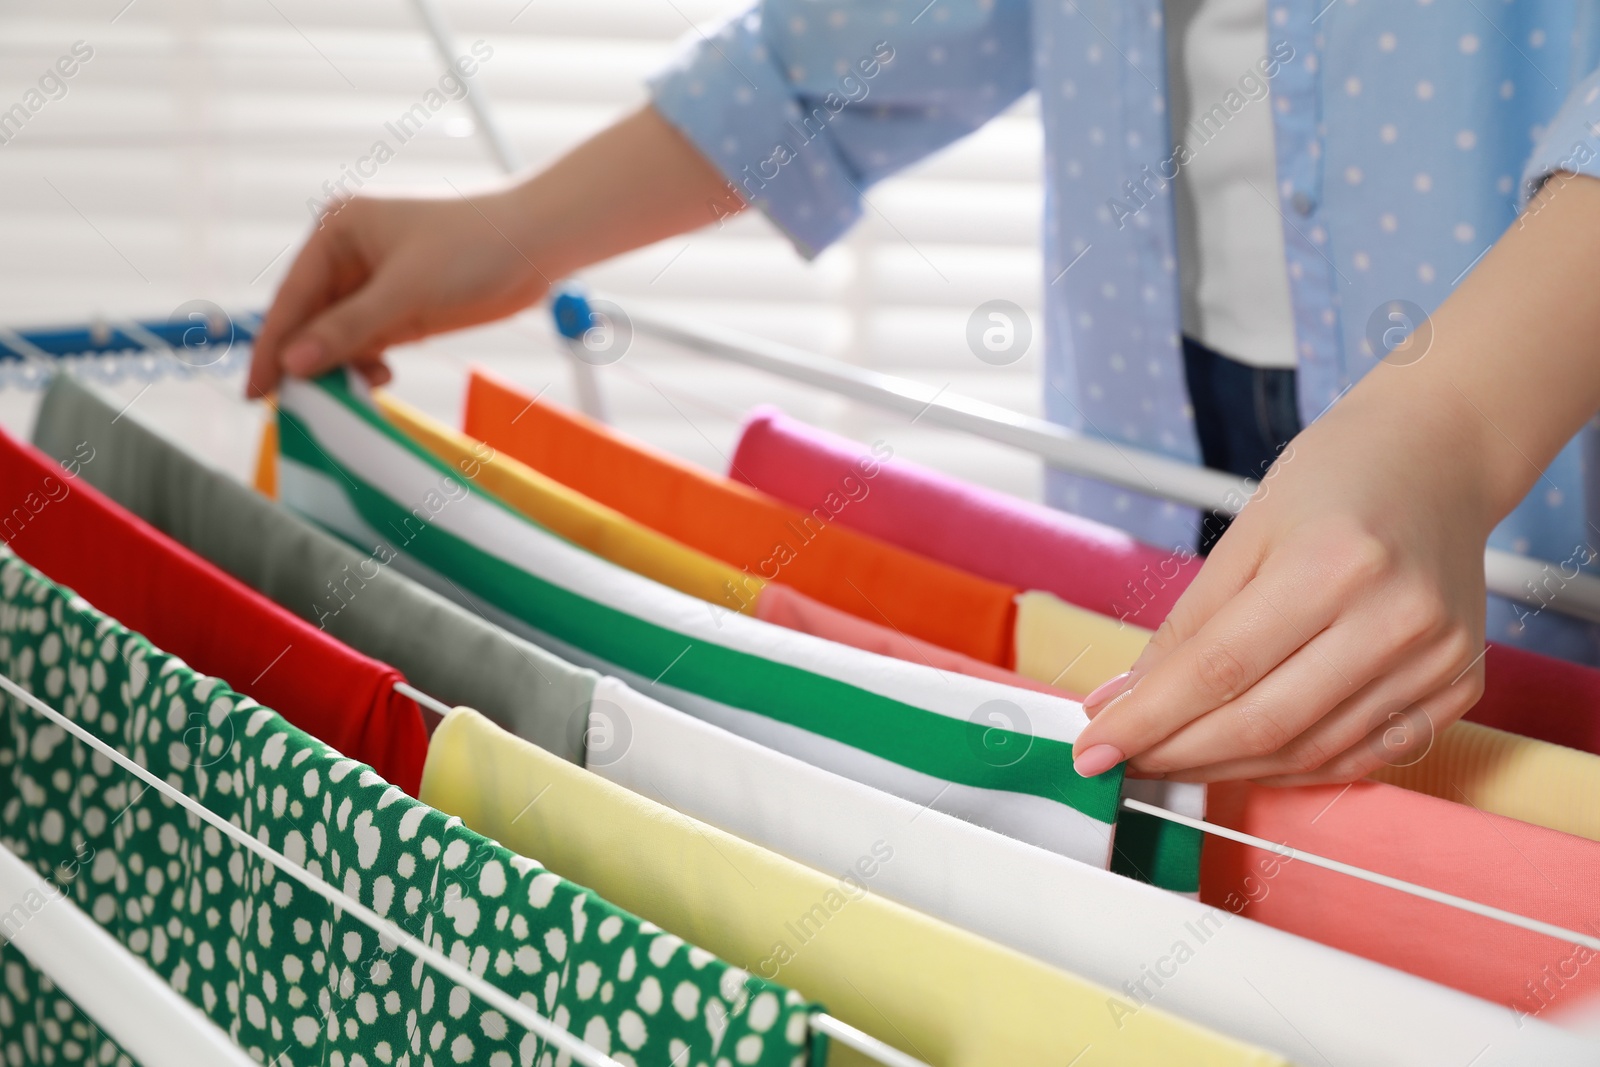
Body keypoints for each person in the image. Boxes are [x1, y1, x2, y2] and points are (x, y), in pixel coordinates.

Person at [249, 0, 1600, 786]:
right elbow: (909, 23)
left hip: (1544, 449)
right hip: (1152, 440)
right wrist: (522, 230)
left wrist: (1455, 422)